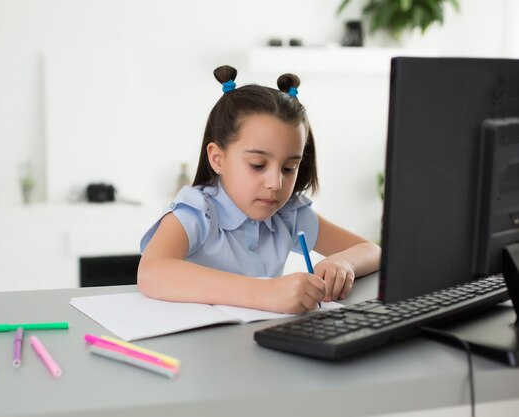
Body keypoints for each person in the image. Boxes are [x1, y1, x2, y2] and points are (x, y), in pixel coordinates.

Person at [138, 65, 381, 314]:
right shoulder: (197, 212)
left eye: (289, 168)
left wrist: (342, 262)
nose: (276, 183)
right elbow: (151, 272)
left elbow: (372, 251)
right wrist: (263, 292)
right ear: (218, 158)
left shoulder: (289, 214)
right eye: (257, 165)